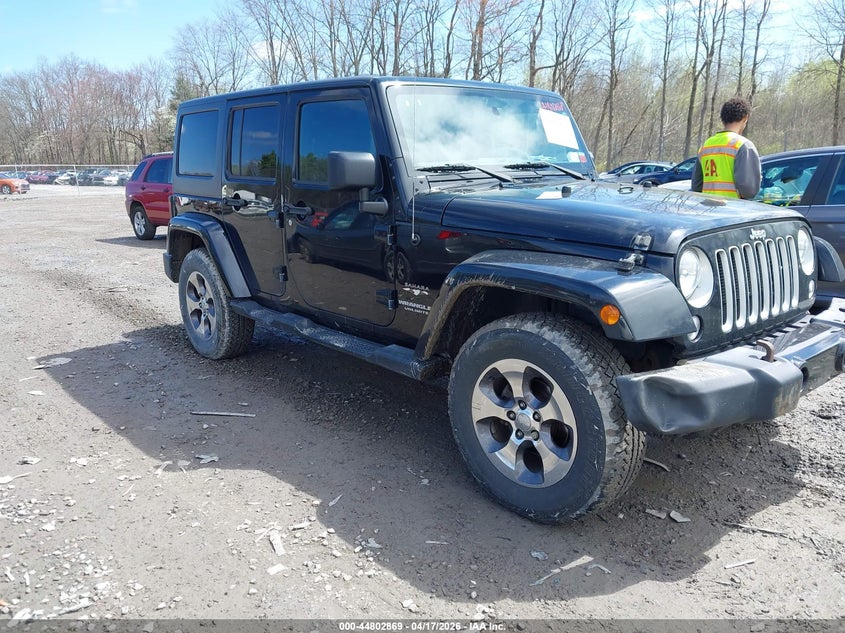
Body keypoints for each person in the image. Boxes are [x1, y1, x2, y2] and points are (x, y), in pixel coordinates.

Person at [692, 97, 761, 199]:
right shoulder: (743, 146)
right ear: (745, 118)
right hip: (734, 209)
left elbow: (696, 186)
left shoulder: (706, 145)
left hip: (708, 210)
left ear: (723, 119)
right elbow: (749, 190)